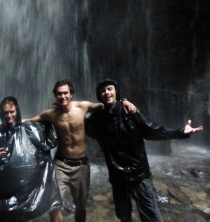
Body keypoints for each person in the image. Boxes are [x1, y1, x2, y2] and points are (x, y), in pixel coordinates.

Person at [85, 79, 203, 222]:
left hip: (139, 174)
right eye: (103, 91)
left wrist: (180, 132)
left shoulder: (130, 112)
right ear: (99, 96)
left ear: (116, 91)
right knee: (123, 215)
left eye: (110, 89)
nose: (107, 93)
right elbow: (78, 121)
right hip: (117, 177)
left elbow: (153, 130)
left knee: (152, 216)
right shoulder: (98, 119)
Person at [28, 79, 136, 222]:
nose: (63, 96)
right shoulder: (50, 114)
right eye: (59, 94)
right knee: (53, 204)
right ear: (55, 95)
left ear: (71, 94)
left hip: (81, 165)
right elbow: (29, 121)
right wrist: (7, 123)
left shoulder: (82, 106)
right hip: (60, 164)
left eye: (65, 93)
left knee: (81, 206)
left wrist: (125, 101)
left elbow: (106, 103)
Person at [0, 96, 63, 222]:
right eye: (6, 113)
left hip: (32, 185)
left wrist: (55, 109)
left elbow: (50, 135)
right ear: (1, 114)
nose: (9, 116)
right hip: (9, 190)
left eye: (12, 112)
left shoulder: (31, 128)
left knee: (53, 206)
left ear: (17, 111)